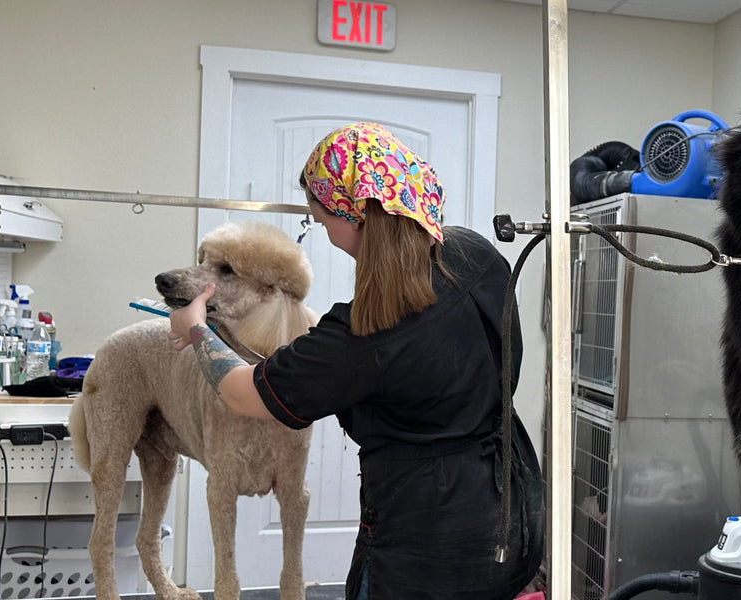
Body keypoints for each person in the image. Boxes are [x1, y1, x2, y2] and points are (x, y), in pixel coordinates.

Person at [168, 122, 545, 600]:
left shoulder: (366, 332)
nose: (324, 232)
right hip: (509, 513)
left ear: (356, 218)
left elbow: (243, 393)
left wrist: (196, 328)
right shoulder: (475, 253)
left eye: (322, 221)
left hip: (421, 551)